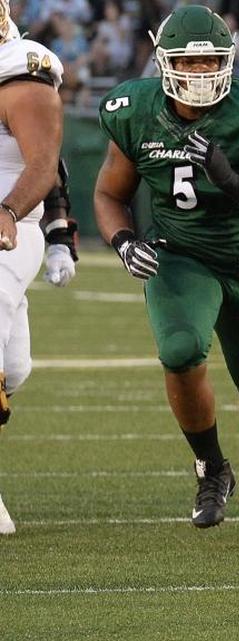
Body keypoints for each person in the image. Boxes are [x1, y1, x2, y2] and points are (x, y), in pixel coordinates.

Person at [92, 5, 239, 542]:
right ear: (164, 63)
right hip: (179, 253)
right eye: (188, 63)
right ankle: (211, 467)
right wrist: (122, 241)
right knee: (180, 350)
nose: (201, 74)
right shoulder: (133, 110)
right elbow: (109, 194)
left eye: (211, 61)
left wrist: (232, 181)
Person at [0, 0, 69, 535]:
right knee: (6, 370)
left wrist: (56, 232)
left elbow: (46, 160)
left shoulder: (21, 66)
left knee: (10, 371)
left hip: (8, 229)